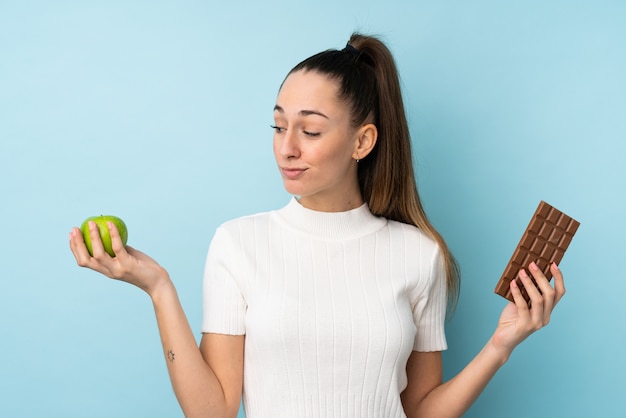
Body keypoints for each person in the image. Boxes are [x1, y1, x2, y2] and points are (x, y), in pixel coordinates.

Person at [68, 33, 566, 418]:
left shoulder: (419, 254)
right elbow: (213, 409)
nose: (287, 147)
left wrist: (501, 345)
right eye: (278, 126)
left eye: (309, 130)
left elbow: (420, 410)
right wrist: (159, 289)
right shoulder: (238, 244)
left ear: (362, 141)